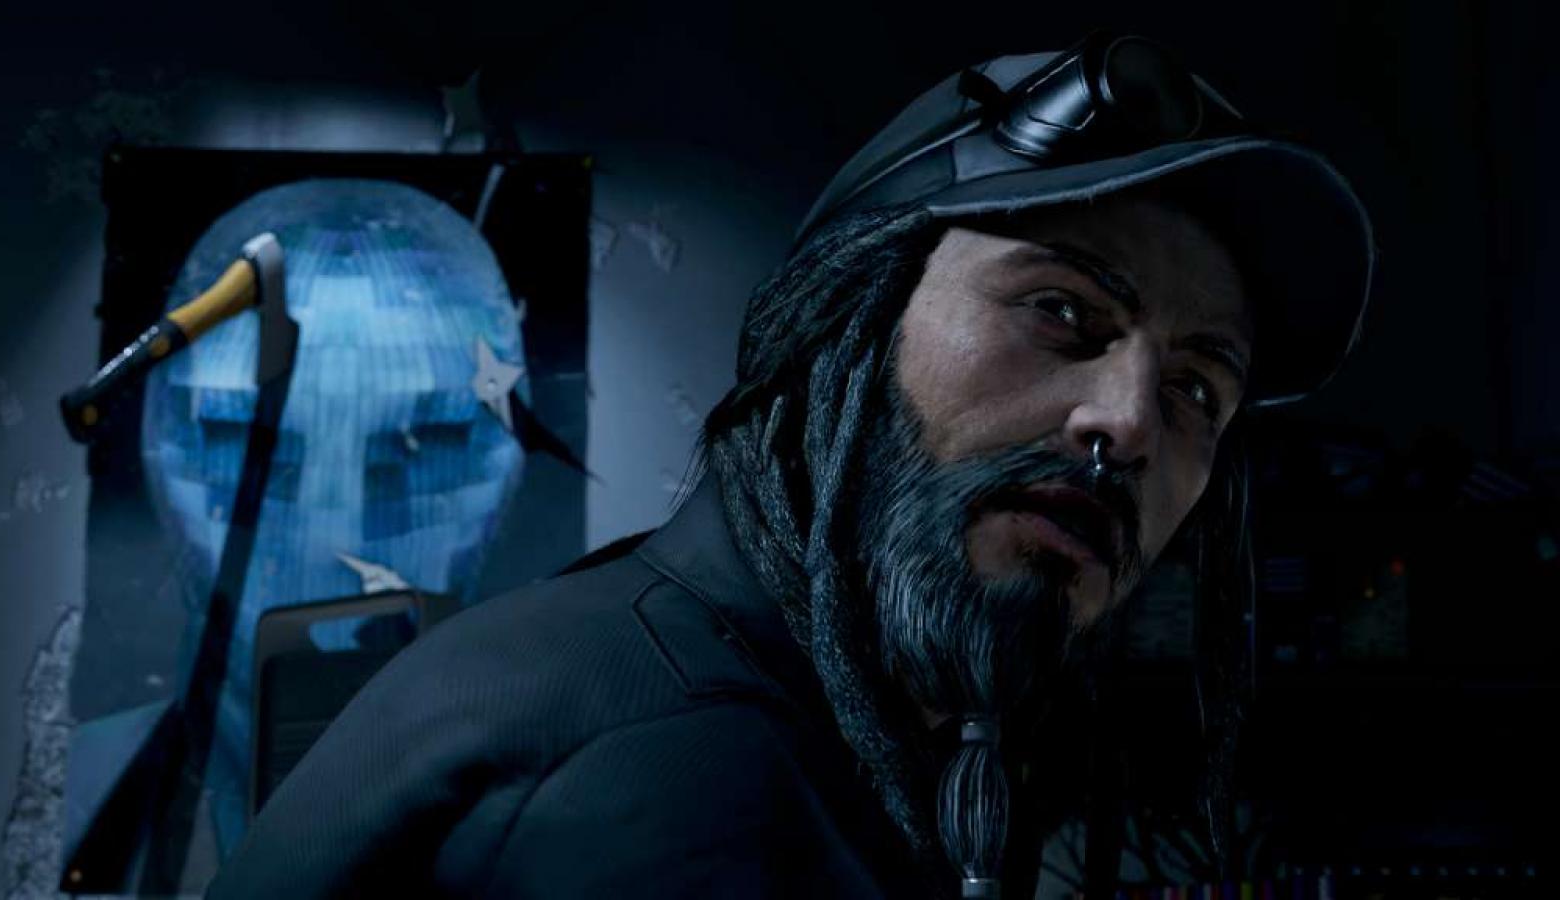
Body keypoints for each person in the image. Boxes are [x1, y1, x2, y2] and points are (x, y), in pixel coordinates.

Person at [206, 33, 1373, 899]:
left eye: (1196, 391)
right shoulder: (680, 772)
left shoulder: (688, 669)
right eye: (1060, 311)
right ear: (843, 325)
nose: (1126, 423)